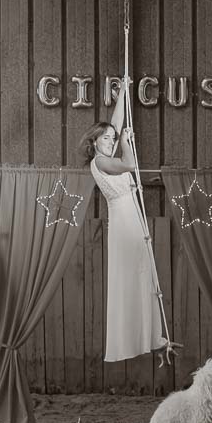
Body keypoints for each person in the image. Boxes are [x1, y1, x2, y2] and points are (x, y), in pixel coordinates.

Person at [82, 121, 169, 362]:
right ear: (94, 142)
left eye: (113, 138)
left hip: (133, 220)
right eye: (106, 138)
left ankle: (154, 340)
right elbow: (129, 164)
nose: (111, 142)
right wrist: (125, 142)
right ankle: (139, 339)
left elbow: (118, 119)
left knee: (142, 278)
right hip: (123, 222)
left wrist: (124, 95)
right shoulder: (100, 161)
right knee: (132, 279)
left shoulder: (106, 159)